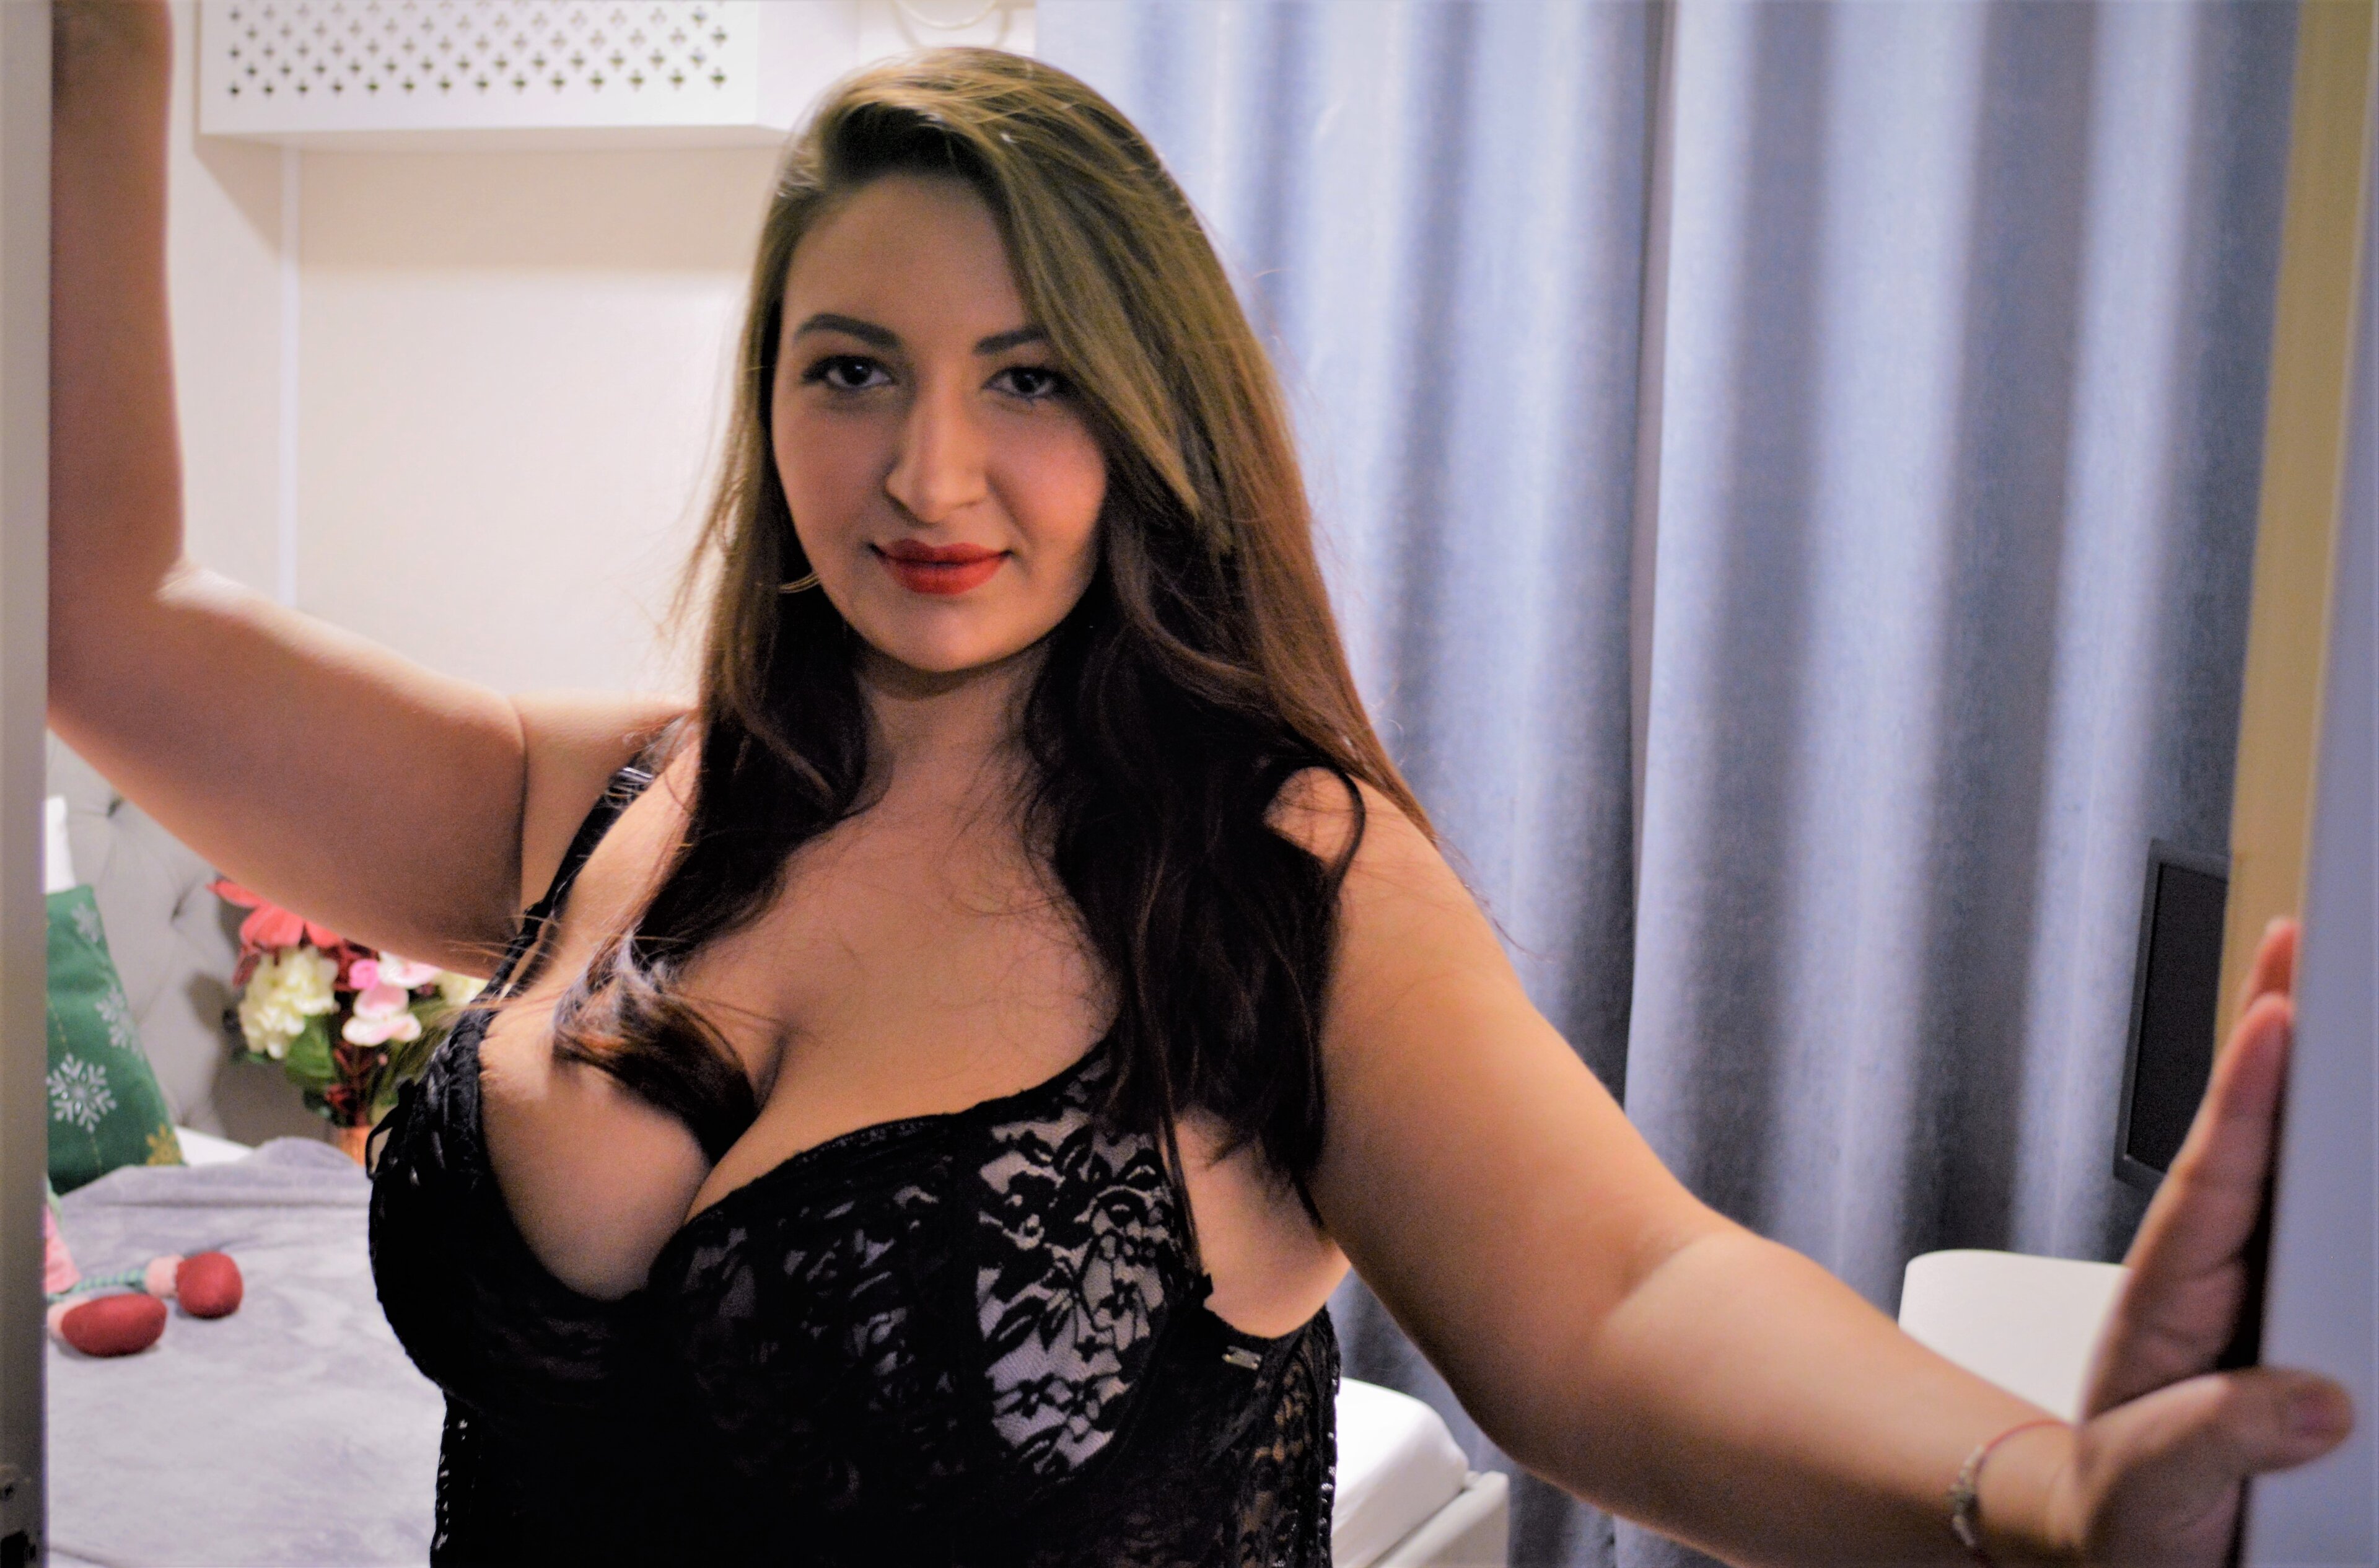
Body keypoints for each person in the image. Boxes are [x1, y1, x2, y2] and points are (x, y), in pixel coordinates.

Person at [49, 4, 2351, 1564]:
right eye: (852, 369)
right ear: (771, 402)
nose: (930, 469)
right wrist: (104, 42)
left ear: (1154, 413)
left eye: (1031, 376)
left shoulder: (1263, 872)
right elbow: (93, 613)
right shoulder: (607, 795)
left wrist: (2025, 1484)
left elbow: (1625, 1297)